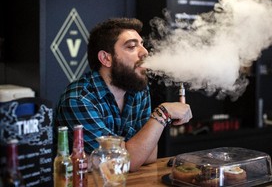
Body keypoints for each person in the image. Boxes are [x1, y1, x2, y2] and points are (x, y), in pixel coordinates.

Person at [55, 18, 192, 172]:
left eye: (142, 44)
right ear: (106, 58)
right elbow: (125, 163)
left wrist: (127, 154)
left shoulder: (138, 90)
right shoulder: (79, 100)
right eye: (132, 46)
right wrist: (162, 114)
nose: (145, 52)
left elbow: (149, 155)